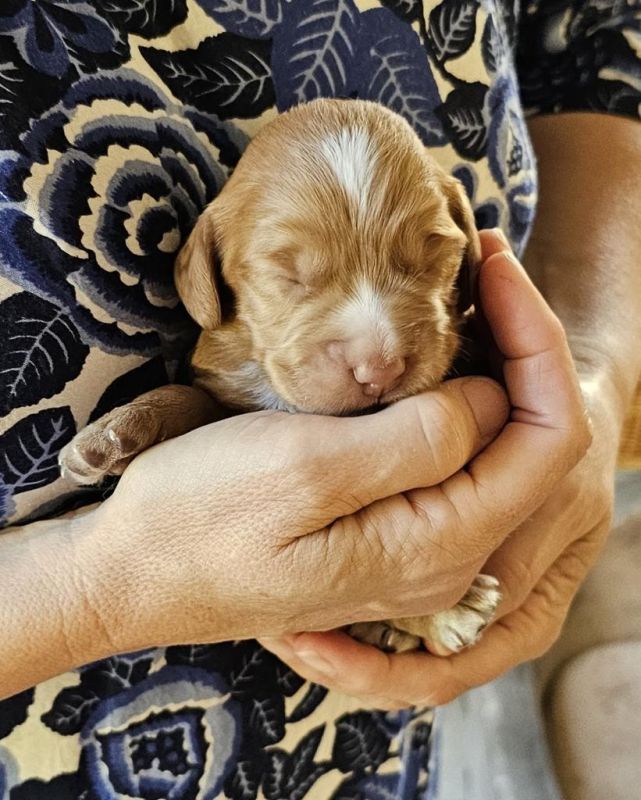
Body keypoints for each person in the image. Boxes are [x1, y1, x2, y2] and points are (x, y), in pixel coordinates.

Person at [0, 1, 640, 798]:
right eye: (291, 275)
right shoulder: (224, 304)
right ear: (207, 270)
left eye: (428, 262)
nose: (377, 350)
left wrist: (590, 372)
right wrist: (88, 589)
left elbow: (594, 29)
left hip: (363, 736)